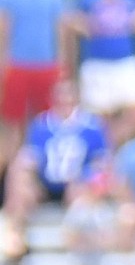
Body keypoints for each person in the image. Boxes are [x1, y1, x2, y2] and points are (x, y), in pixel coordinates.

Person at [1, 0, 71, 172]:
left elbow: (61, 30)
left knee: (45, 122)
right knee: (13, 123)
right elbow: (4, 28)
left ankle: (42, 175)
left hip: (47, 65)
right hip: (17, 64)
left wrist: (63, 63)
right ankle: (11, 177)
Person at [6, 76, 110, 223]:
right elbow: (30, 158)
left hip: (78, 185)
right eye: (61, 96)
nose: (65, 101)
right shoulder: (41, 125)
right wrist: (26, 175)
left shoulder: (92, 126)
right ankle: (14, 231)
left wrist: (85, 180)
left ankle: (75, 234)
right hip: (46, 183)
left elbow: (102, 164)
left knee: (88, 189)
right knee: (19, 177)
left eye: (69, 97)